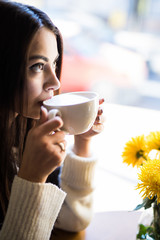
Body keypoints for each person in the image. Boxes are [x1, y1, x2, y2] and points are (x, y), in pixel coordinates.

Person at [0, 1, 104, 239]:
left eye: (54, 64)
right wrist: (32, 178)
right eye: (37, 66)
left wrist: (83, 141)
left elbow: (71, 219)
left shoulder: (25, 135)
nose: (55, 82)